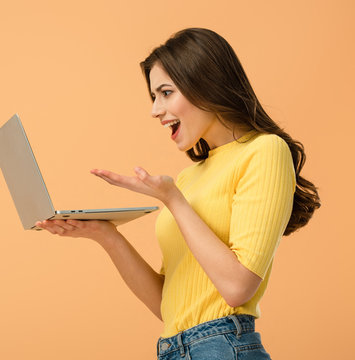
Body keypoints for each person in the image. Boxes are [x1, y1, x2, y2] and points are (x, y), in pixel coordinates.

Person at [36, 28, 320, 360]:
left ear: (207, 83)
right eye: (154, 97)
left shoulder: (265, 151)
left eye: (166, 93)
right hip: (174, 349)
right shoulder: (187, 179)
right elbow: (168, 306)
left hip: (223, 346)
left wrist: (173, 200)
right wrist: (107, 235)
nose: (155, 110)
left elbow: (237, 287)